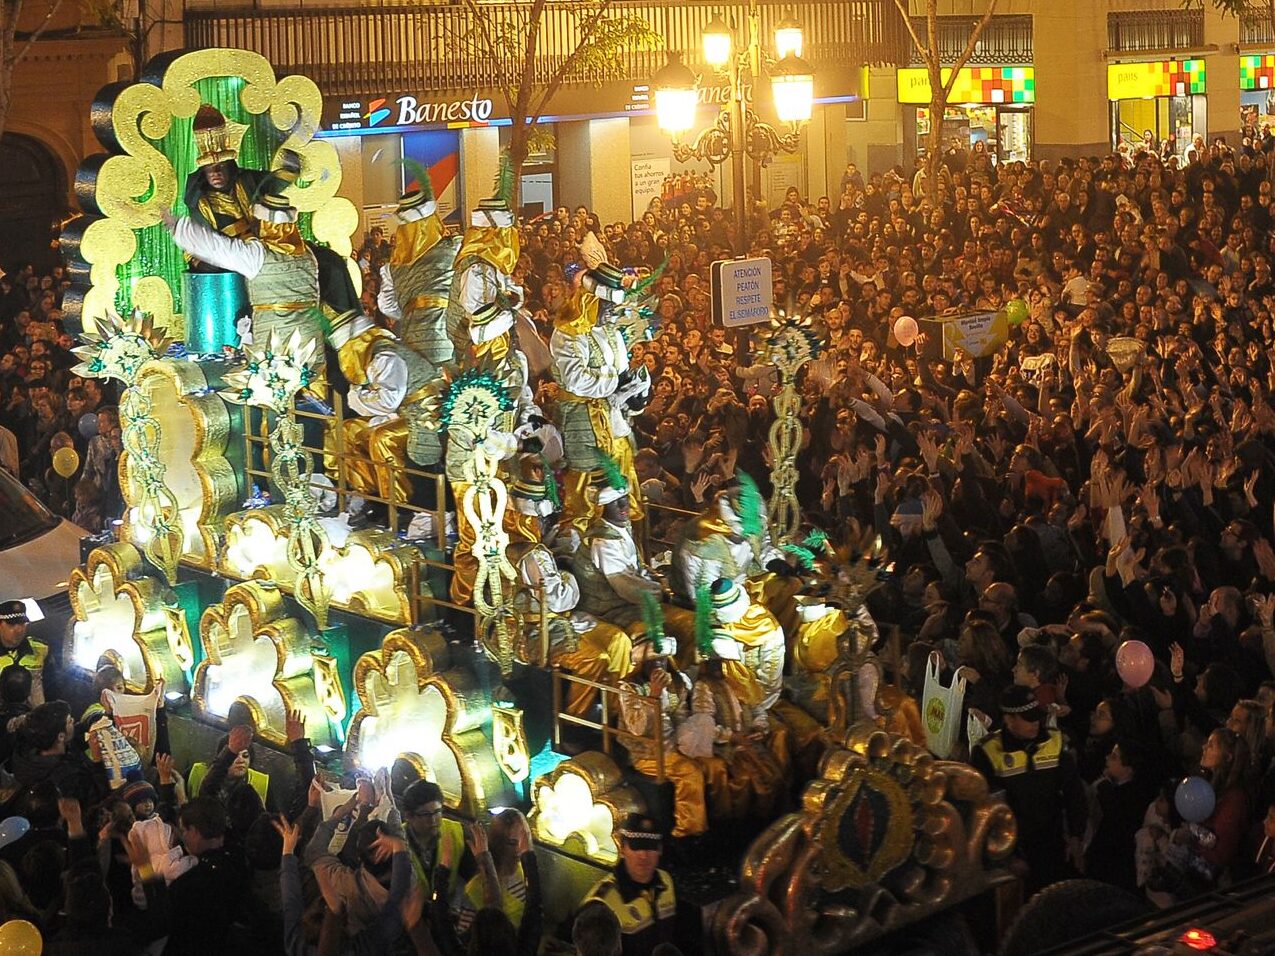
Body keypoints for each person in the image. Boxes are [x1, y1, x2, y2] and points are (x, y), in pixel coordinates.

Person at [971, 685, 1087, 891]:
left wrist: (1076, 836)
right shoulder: (987, 752)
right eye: (1028, 718)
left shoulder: (1054, 742)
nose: (1035, 723)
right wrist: (1007, 855)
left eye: (1037, 717)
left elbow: (1074, 793)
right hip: (1013, 852)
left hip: (1051, 846)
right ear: (1009, 719)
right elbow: (985, 810)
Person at [581, 814, 678, 956]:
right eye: (636, 846)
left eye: (650, 847)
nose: (643, 855)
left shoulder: (665, 882)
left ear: (660, 850)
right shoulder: (603, 902)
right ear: (622, 849)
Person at [0, 600, 46, 706]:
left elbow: (53, 684)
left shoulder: (40, 649)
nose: (18, 630)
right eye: (12, 624)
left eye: (22, 623)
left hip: (34, 717)